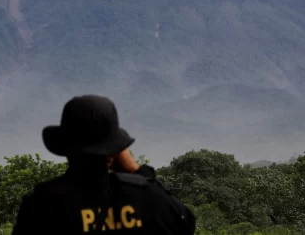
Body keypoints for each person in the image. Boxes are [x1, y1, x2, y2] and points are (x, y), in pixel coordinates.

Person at [12, 95, 196, 235]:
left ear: (66, 146)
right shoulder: (145, 196)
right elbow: (185, 223)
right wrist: (137, 172)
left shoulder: (42, 203)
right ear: (115, 152)